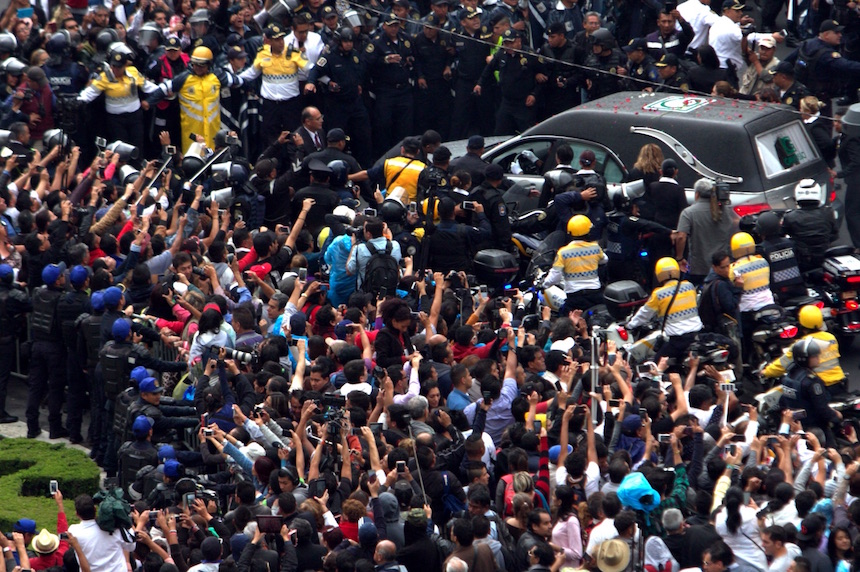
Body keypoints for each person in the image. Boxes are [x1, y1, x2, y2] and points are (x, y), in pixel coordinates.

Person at [239, 23, 308, 147]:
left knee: (293, 134)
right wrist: (236, 79)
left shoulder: (293, 53)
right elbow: (252, 73)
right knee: (270, 136)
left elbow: (310, 70)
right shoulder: (262, 53)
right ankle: (273, 163)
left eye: (282, 38)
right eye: (277, 40)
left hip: (290, 104)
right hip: (270, 104)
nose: (281, 42)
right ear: (269, 41)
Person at [626, 257, 704, 361]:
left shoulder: (659, 294)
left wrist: (629, 325)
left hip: (678, 342)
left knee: (656, 364)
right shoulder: (689, 286)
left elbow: (644, 314)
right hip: (698, 336)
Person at [764, 304, 846, 392]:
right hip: (839, 382)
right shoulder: (831, 338)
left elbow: (782, 365)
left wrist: (766, 372)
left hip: (819, 387)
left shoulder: (802, 344)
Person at [778, 338, 841, 446]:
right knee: (831, 451)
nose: (818, 358)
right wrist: (836, 416)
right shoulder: (811, 382)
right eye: (815, 356)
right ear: (805, 359)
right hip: (814, 428)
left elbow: (783, 402)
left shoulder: (788, 377)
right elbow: (821, 408)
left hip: (796, 425)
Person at [675, 178, 735, 285]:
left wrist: (679, 258)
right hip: (723, 266)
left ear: (697, 194)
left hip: (700, 268)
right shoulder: (724, 211)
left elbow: (681, 236)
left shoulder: (689, 213)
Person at [542, 215, 607, 314]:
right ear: (588, 232)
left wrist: (544, 284)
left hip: (575, 298)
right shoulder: (595, 248)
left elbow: (555, 277)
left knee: (563, 324)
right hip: (595, 295)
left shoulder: (563, 252)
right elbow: (604, 260)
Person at [68, 494, 136, 572]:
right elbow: (131, 546)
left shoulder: (73, 531)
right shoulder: (115, 528)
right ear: (95, 509)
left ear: (77, 514)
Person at [781, 179, 838, 271]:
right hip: (825, 258)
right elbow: (834, 234)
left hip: (802, 263)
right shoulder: (828, 213)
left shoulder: (790, 216)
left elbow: (782, 236)